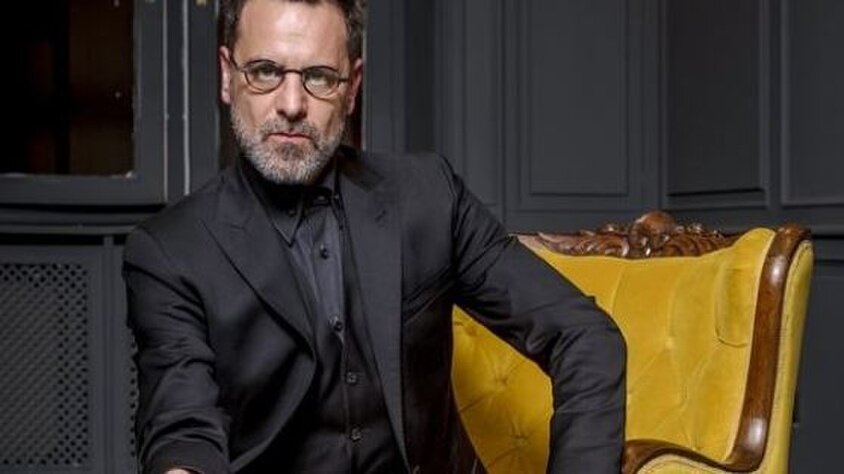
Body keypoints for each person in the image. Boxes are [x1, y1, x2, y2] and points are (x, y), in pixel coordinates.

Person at [123, 0, 626, 472]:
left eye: (320, 77)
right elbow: (181, 426)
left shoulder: (428, 195)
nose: (292, 104)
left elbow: (582, 334)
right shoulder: (170, 251)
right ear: (227, 76)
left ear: (353, 88)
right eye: (266, 72)